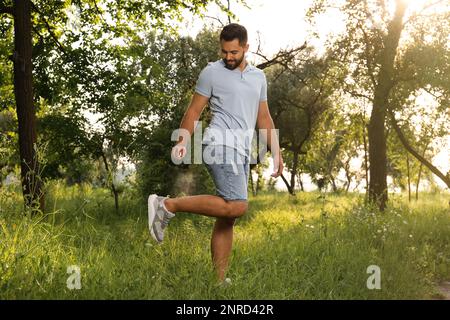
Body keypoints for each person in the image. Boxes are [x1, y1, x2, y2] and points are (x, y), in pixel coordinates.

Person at [147, 23, 284, 284]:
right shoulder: (211, 72)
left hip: (241, 150)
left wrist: (276, 152)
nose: (228, 57)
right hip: (219, 143)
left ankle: (219, 281)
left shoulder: (258, 78)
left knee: (227, 217)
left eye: (234, 52)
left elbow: (263, 117)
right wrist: (183, 140)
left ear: (246, 47)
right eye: (224, 52)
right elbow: (193, 111)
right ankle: (167, 204)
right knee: (237, 206)